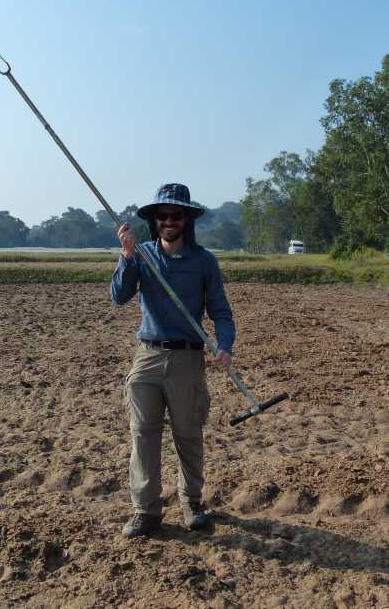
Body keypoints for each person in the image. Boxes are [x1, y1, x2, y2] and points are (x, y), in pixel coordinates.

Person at [111, 183, 236, 538]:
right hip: (148, 356)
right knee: (143, 434)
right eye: (162, 215)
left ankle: (191, 502)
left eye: (175, 215)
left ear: (186, 219)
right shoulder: (142, 254)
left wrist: (224, 345)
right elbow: (119, 296)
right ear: (155, 220)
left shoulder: (204, 261)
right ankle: (145, 509)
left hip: (187, 358)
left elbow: (222, 313)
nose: (169, 221)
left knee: (188, 433)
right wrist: (127, 256)